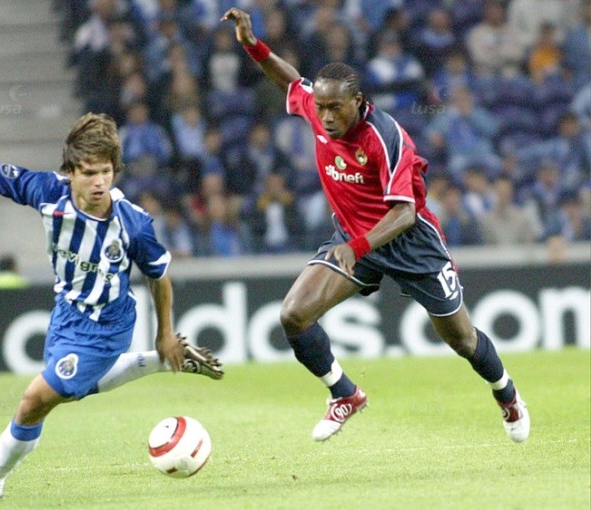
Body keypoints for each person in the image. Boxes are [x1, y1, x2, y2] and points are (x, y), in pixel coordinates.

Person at [222, 7, 529, 443]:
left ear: (358, 102)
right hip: (354, 239)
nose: (326, 117)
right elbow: (290, 82)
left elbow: (404, 213)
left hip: (409, 242)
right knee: (293, 315)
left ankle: (507, 394)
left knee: (462, 339)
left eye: (335, 108)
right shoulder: (317, 109)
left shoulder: (385, 136)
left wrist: (358, 247)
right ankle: (344, 393)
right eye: (321, 107)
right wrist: (253, 45)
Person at [0, 112, 224, 504]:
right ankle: (158, 363)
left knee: (34, 399)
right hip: (67, 314)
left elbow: (159, 278)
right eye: (89, 172)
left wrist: (165, 333)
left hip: (108, 326)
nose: (99, 182)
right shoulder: (48, 192)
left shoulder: (133, 224)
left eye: (106, 172)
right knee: (70, 392)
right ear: (70, 171)